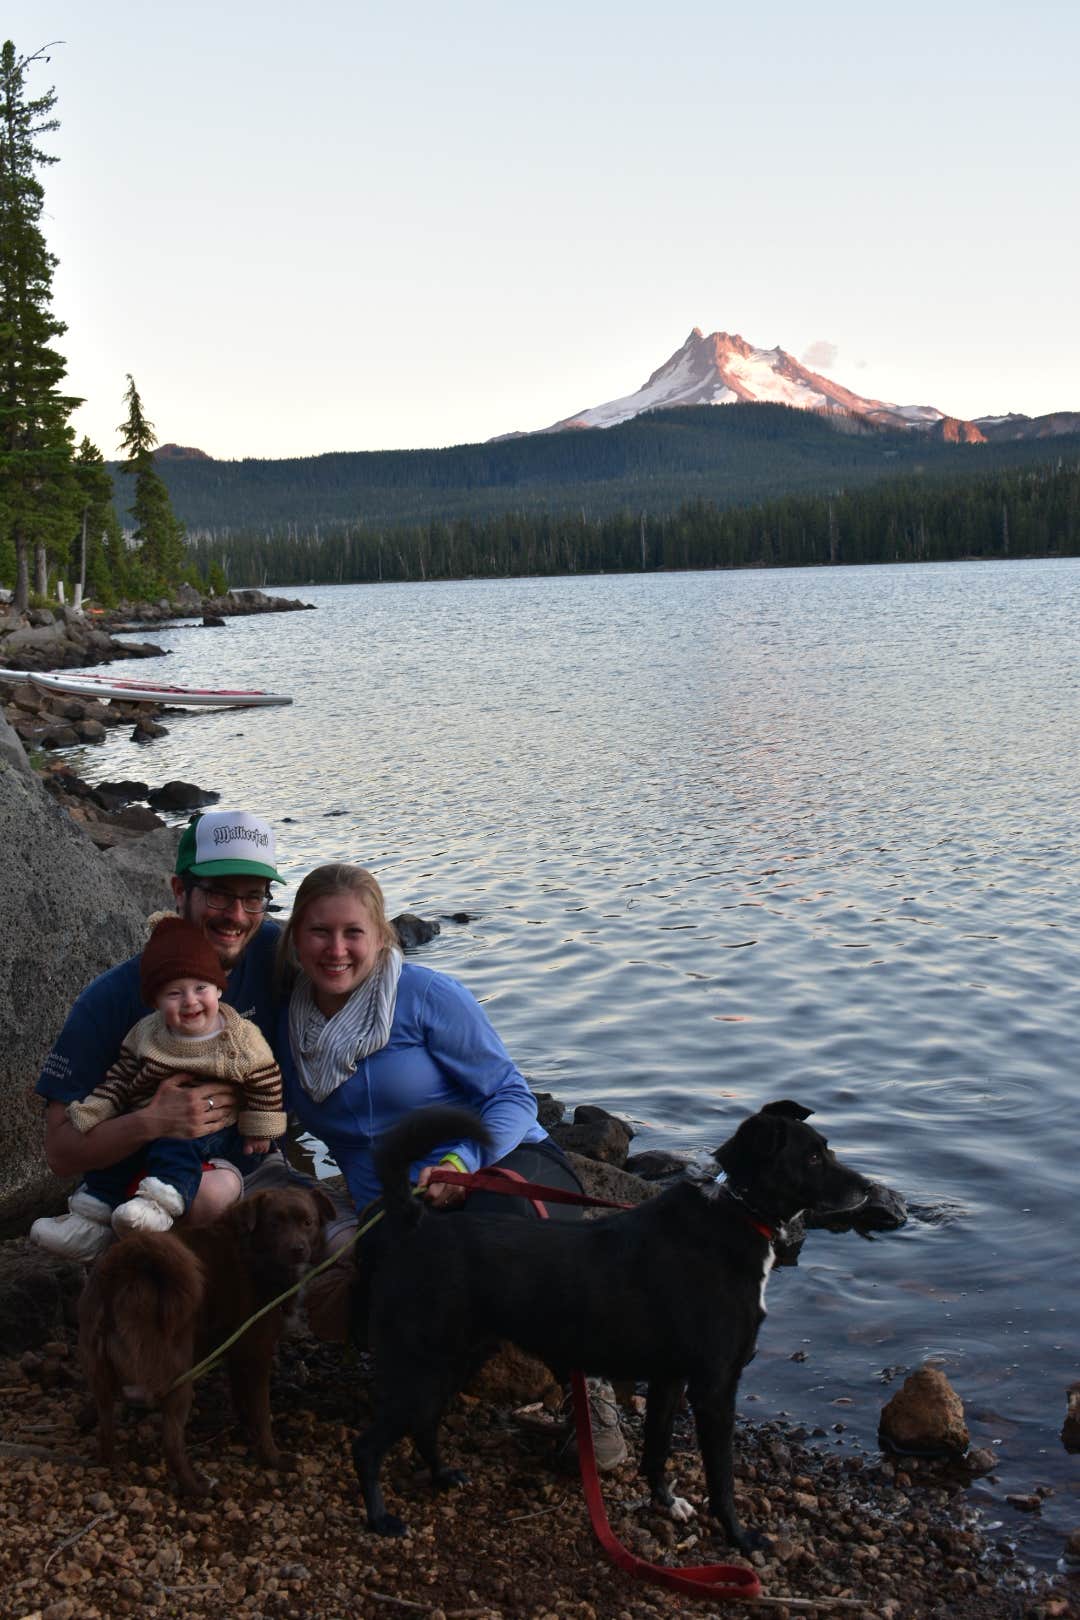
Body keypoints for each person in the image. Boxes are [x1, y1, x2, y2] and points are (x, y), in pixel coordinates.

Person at [277, 861, 628, 1468]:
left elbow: (512, 1096)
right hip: (393, 1201)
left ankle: (590, 1396)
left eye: (353, 933)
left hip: (499, 1161)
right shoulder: (290, 1024)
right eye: (319, 932)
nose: (336, 950)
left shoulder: (426, 996)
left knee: (503, 1236)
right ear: (294, 938)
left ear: (381, 936)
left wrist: (458, 1160)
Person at [33, 809, 286, 1259]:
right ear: (178, 891)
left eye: (253, 898)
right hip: (144, 1176)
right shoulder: (110, 998)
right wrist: (153, 1122)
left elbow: (357, 956)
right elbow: (59, 1153)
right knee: (204, 1197)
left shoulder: (273, 951)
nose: (236, 916)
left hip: (253, 1158)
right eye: (219, 895)